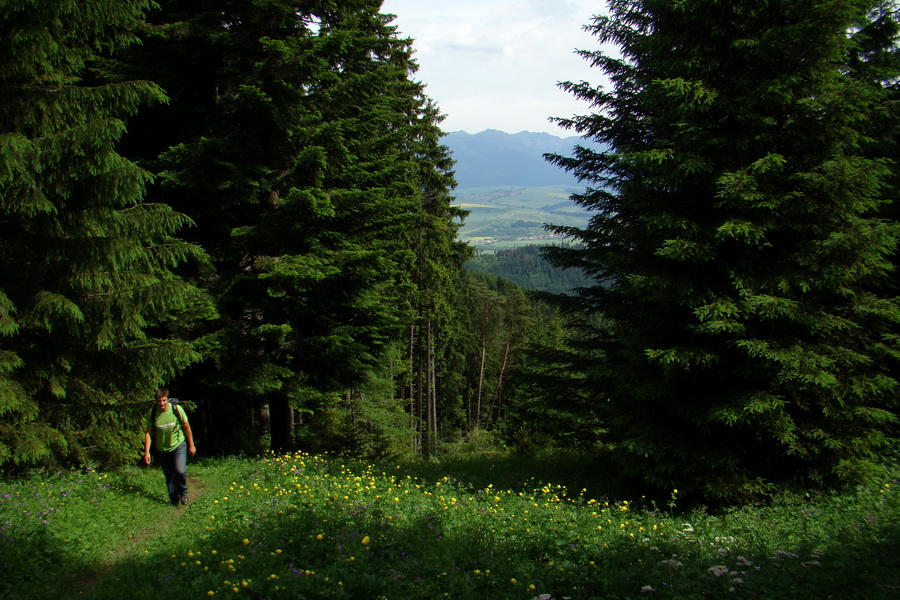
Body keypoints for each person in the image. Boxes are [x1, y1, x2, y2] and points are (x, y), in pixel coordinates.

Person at [143, 387, 197, 505]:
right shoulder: (152, 413)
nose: (161, 403)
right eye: (159, 401)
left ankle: (183, 492)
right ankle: (174, 499)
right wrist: (147, 452)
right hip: (162, 448)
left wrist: (191, 445)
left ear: (167, 399)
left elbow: (187, 427)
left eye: (163, 400)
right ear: (156, 401)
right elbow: (148, 433)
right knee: (169, 475)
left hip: (178, 445)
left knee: (180, 471)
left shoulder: (176, 409)